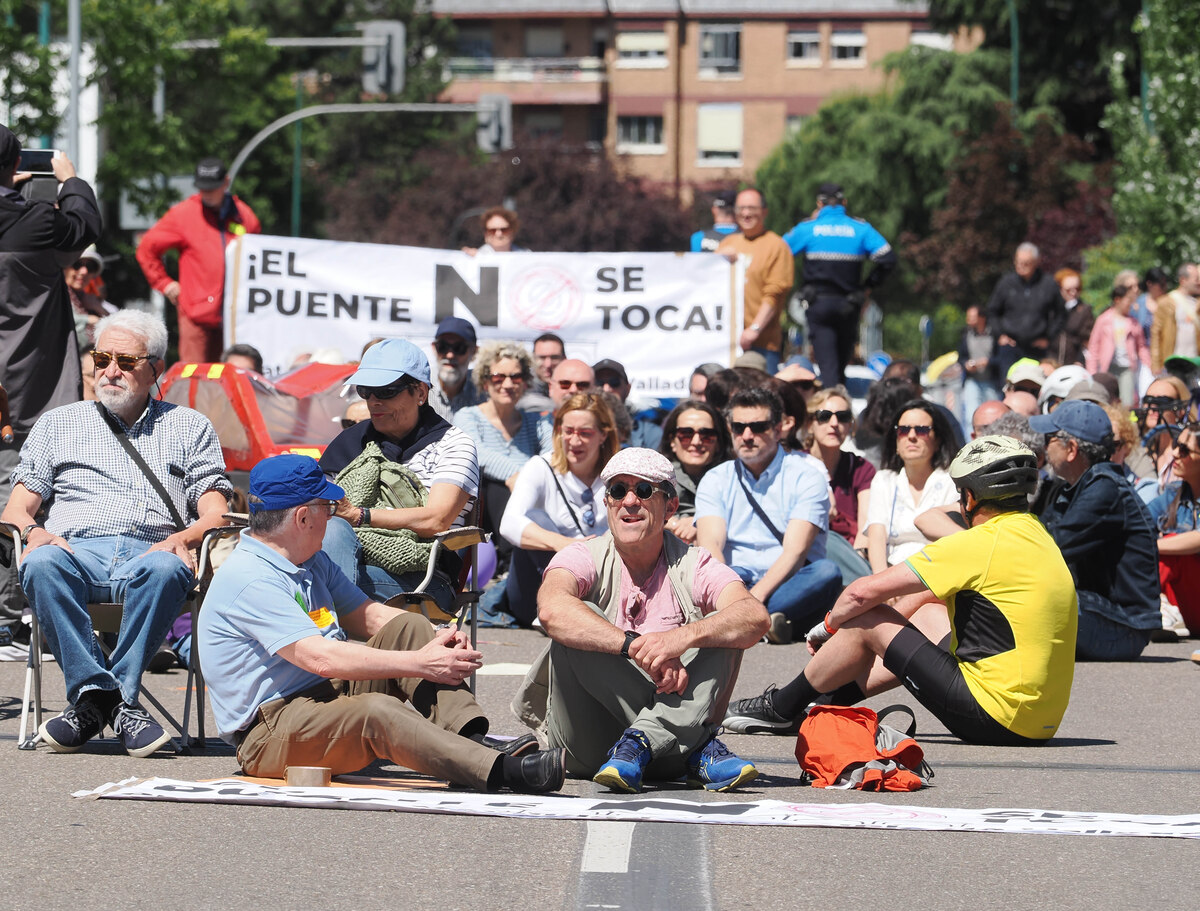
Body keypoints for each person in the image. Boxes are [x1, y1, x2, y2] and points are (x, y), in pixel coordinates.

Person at [197, 454, 564, 793]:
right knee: (377, 712)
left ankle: (469, 739)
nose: (333, 515)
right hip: (269, 733)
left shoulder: (308, 559)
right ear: (302, 518)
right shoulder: (250, 577)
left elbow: (370, 615)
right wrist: (421, 663)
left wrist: (439, 638)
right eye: (326, 507)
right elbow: (319, 658)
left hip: (325, 695)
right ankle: (501, 771)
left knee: (412, 628)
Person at [724, 436, 1078, 747]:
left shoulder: (979, 543)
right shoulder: (1039, 538)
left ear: (969, 497)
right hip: (1037, 719)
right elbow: (924, 599)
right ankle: (825, 701)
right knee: (928, 613)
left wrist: (826, 629)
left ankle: (783, 707)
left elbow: (861, 594)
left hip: (995, 717)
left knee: (870, 619)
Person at [0, 310, 231, 755]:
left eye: (125, 362)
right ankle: (112, 698)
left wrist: (185, 537)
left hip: (153, 552)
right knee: (42, 561)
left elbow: (216, 515)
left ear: (155, 370)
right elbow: (17, 507)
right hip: (75, 552)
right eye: (102, 357)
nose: (110, 370)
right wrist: (33, 531)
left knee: (167, 568)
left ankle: (95, 702)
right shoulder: (57, 424)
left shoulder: (189, 426)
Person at [518, 447, 767, 792]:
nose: (630, 501)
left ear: (671, 506)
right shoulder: (580, 556)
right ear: (607, 503)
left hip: (669, 751)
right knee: (579, 616)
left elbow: (754, 616)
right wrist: (635, 647)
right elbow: (551, 611)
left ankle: (641, 740)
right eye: (618, 491)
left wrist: (681, 639)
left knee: (727, 625)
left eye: (644, 490)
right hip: (589, 747)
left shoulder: (695, 563)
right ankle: (696, 749)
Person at [0, 132, 101, 658]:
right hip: (23, 389)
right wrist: (68, 180)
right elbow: (83, 225)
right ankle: (7, 622)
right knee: (19, 498)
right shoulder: (34, 222)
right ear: (17, 163)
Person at [319, 339, 480, 612]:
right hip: (345, 561)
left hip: (425, 578)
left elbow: (436, 519)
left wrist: (361, 516)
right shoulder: (348, 443)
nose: (373, 401)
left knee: (315, 581)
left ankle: (326, 638)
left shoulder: (454, 444)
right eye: (365, 390)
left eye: (386, 391)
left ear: (420, 392)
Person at [695, 387, 842, 645]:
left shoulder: (806, 476)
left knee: (827, 573)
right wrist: (731, 592)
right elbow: (711, 547)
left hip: (790, 580)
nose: (747, 436)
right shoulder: (715, 478)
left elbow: (795, 554)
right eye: (739, 427)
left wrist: (749, 601)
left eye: (758, 427)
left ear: (778, 429)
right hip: (736, 577)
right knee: (705, 571)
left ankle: (745, 621)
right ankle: (771, 622)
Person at [1029, 400, 1161, 660]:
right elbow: (1038, 535)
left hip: (1123, 628)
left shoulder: (1106, 489)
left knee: (1032, 599)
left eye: (1050, 438)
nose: (1044, 447)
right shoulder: (1077, 487)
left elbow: (1050, 548)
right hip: (1098, 613)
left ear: (1072, 449)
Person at [492, 393, 619, 627]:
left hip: (600, 580)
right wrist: (563, 545)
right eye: (568, 431)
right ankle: (561, 609)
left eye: (585, 433)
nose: (575, 440)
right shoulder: (540, 466)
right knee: (534, 517)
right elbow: (508, 523)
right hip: (537, 590)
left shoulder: (618, 473)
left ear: (603, 434)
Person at [135, 157, 261, 364]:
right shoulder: (184, 214)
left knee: (231, 377)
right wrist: (164, 284)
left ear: (226, 183)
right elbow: (147, 248)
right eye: (203, 188)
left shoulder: (244, 216)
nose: (207, 194)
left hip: (234, 317)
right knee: (194, 375)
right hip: (195, 313)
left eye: (212, 188)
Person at [781, 182, 897, 385]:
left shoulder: (809, 228)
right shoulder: (860, 229)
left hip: (819, 304)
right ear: (844, 202)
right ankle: (840, 403)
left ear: (819, 204)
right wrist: (866, 288)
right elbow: (888, 258)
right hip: (849, 305)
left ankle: (831, 406)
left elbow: (778, 252)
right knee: (842, 364)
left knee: (828, 368)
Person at [452, 341, 545, 546]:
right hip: (486, 520)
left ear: (525, 382)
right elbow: (477, 453)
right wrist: (516, 477)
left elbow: (553, 456)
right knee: (492, 484)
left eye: (515, 377)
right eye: (498, 377)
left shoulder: (536, 421)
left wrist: (525, 481)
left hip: (529, 512)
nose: (508, 384)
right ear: (485, 382)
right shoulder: (468, 417)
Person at [864, 399, 959, 573]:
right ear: (896, 441)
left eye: (922, 430)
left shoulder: (952, 482)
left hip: (936, 573)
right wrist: (883, 582)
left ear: (937, 440)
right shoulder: (884, 480)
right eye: (903, 430)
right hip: (890, 572)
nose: (912, 436)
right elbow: (876, 536)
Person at [718, 188, 794, 374]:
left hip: (762, 344)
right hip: (726, 343)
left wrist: (754, 329)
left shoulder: (777, 246)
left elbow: (774, 294)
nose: (746, 213)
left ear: (764, 211)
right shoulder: (727, 244)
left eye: (752, 208)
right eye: (741, 208)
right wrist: (717, 259)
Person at [1146, 422, 1200, 637]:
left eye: (1185, 450)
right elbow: (1138, 524)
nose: (1175, 453)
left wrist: (1156, 544)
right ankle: (1156, 606)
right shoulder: (1172, 495)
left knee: (1170, 551)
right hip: (1184, 599)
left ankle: (1146, 608)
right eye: (1177, 445)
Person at [806, 385, 875, 553]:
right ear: (809, 424)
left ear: (851, 424)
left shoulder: (861, 468)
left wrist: (857, 561)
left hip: (848, 555)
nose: (834, 424)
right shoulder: (795, 463)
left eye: (843, 417)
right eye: (825, 416)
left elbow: (865, 527)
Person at [657, 399, 733, 544]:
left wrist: (702, 522)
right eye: (686, 434)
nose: (696, 441)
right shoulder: (656, 477)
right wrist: (673, 524)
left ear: (718, 443)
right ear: (672, 441)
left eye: (707, 435)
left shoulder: (734, 479)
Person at [986, 243, 1065, 374]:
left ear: (1036, 262)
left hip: (1036, 348)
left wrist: (1049, 338)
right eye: (1018, 262)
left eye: (1026, 263)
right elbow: (992, 311)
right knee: (1008, 385)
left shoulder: (1047, 284)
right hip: (1010, 347)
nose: (1021, 266)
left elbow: (1061, 314)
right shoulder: (1006, 283)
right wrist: (1000, 335)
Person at [1085, 279, 1150, 405]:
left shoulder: (1133, 322)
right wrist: (1092, 371)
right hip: (1108, 366)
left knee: (1127, 401)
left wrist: (1148, 363)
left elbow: (1141, 346)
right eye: (1128, 301)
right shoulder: (1104, 320)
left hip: (1126, 366)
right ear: (1117, 300)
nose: (1130, 305)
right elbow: (1094, 347)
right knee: (1105, 398)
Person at [593, 358, 662, 450]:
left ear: (628, 388)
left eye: (614, 383)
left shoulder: (651, 434)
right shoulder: (573, 431)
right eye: (599, 383)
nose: (606, 389)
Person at [428, 317, 484, 419]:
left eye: (459, 348)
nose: (450, 355)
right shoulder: (419, 387)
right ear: (434, 348)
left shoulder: (485, 392)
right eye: (442, 347)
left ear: (474, 351)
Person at [1149, 263, 1200, 374]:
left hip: (1195, 362)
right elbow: (1156, 335)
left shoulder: (1197, 304)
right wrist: (1156, 364)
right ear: (1183, 280)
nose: (1199, 282)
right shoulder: (1166, 302)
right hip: (1172, 363)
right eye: (1196, 279)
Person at [65, 245, 116, 354]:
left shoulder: (86, 299)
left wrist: (98, 308)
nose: (84, 271)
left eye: (90, 267)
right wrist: (89, 319)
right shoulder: (54, 294)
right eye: (77, 264)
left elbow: (117, 328)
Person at [957, 304, 1000, 432]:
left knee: (994, 415)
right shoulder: (965, 335)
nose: (969, 320)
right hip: (972, 380)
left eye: (972, 317)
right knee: (971, 415)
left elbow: (1001, 358)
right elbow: (960, 357)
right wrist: (966, 364)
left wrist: (988, 362)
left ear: (982, 318)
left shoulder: (994, 334)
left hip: (990, 380)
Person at [1053, 268, 1094, 367]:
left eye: (1077, 289)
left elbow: (1087, 339)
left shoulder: (1084, 310)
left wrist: (1080, 360)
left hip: (1074, 362)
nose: (1073, 293)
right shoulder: (1051, 309)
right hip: (1051, 360)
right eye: (1068, 290)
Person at [461, 205, 528, 256]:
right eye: (492, 230)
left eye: (504, 230)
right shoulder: (477, 256)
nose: (498, 234)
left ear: (512, 231)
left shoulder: (526, 256)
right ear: (486, 234)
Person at [1131, 266, 1170, 339]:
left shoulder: (1170, 303)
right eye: (1161, 285)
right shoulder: (1138, 304)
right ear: (1149, 283)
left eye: (1165, 284)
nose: (1164, 287)